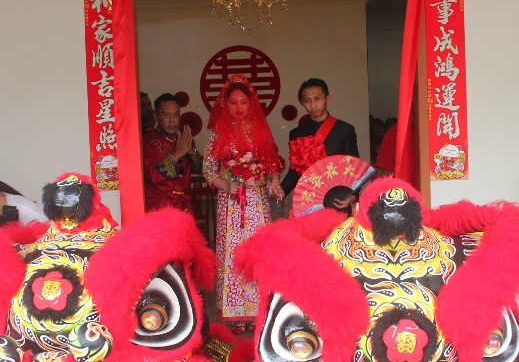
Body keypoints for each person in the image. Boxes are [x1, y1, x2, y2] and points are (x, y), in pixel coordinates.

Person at [203, 75, 284, 332]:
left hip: (257, 202)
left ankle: (258, 311)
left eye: (244, 103)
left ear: (252, 104)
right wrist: (227, 185)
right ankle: (235, 315)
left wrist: (274, 182)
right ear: (225, 105)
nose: (238, 108)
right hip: (230, 202)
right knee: (233, 254)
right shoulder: (216, 133)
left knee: (259, 252)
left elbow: (273, 164)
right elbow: (208, 169)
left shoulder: (261, 129)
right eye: (233, 103)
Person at [281, 78, 360, 208]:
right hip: (308, 199)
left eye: (317, 99)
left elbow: (354, 167)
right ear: (302, 102)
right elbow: (295, 171)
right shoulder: (296, 133)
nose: (312, 105)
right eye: (307, 100)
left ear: (328, 98)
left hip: (337, 199)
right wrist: (281, 191)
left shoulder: (345, 129)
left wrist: (353, 195)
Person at [142, 93, 202, 213]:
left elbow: (200, 168)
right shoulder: (146, 141)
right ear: (156, 116)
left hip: (184, 207)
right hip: (160, 208)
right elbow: (152, 174)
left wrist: (191, 151)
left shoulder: (184, 139)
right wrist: (178, 153)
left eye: (176, 114)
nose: (172, 120)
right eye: (166, 115)